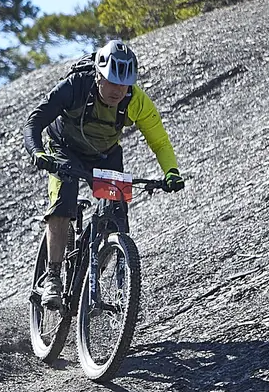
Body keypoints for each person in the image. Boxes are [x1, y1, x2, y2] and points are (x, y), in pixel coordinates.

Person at [24, 39, 185, 308]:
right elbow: (35, 121)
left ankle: (97, 269)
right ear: (98, 76)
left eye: (124, 84)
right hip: (64, 148)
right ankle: (52, 276)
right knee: (64, 201)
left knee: (116, 218)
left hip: (104, 156)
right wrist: (38, 153)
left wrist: (171, 172)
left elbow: (159, 142)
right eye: (112, 82)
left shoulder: (135, 100)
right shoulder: (75, 86)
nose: (118, 90)